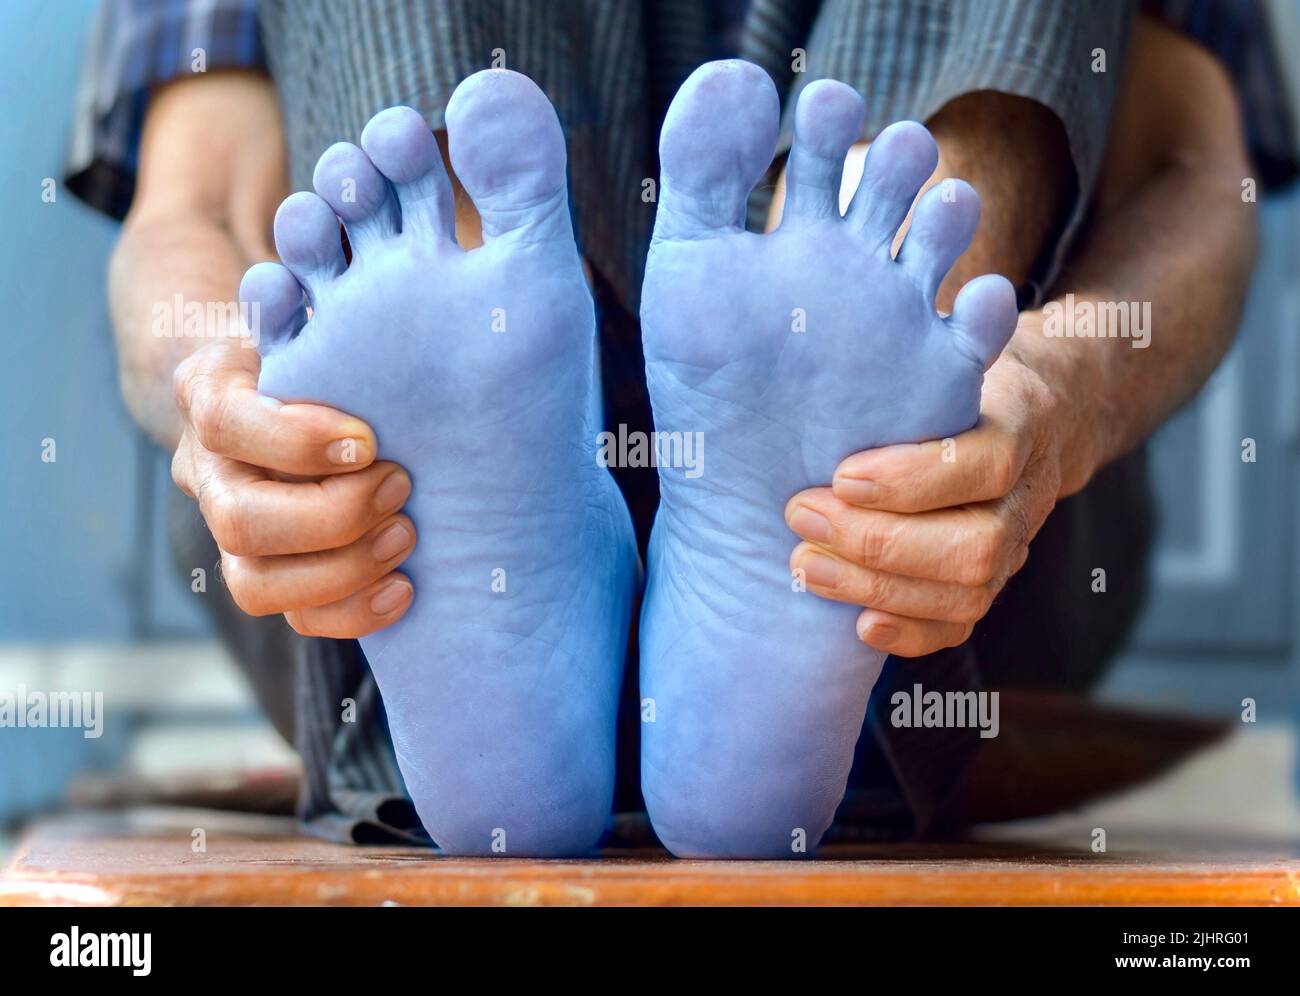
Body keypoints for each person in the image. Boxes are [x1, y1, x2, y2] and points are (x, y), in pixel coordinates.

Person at [70, 0, 1298, 843]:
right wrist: (224, 396)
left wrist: (1052, 394)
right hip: (359, 557)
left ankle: (824, 410)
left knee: (875, 348)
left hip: (970, 569)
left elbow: (1194, 173)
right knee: (849, 308)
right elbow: (198, 206)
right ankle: (803, 492)